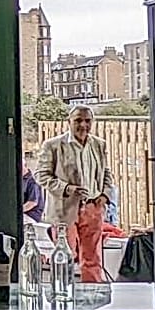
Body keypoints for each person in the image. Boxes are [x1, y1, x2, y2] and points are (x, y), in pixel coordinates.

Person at [36, 105, 114, 284]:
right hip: (64, 209)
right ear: (69, 122)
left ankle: (92, 298)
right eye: (78, 120)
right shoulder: (53, 145)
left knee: (93, 258)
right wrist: (67, 188)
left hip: (93, 207)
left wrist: (105, 195)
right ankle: (62, 295)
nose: (83, 125)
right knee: (64, 257)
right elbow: (41, 175)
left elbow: (106, 173)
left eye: (87, 120)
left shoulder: (98, 144)